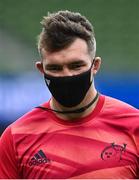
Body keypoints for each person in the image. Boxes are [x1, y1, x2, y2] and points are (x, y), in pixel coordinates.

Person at [0, 10, 139, 179]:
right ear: (41, 70)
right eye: (55, 68)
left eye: (76, 66)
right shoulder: (15, 138)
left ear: (95, 65)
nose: (67, 76)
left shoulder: (134, 125)